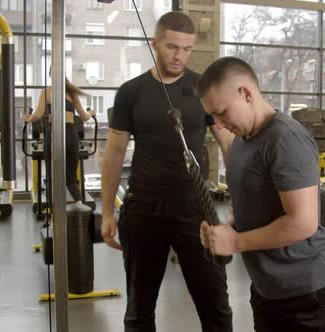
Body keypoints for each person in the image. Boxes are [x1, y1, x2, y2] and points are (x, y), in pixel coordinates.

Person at [197, 57, 325, 332]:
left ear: (246, 93)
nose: (219, 124)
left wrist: (235, 243)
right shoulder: (242, 143)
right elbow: (259, 210)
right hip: (270, 290)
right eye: (213, 116)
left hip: (312, 291)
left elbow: (302, 223)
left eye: (222, 112)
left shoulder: (285, 139)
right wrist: (225, 232)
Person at [100, 11, 234, 332]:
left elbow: (229, 143)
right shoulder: (131, 92)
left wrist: (241, 202)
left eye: (187, 49)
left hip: (194, 210)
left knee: (216, 305)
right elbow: (115, 152)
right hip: (143, 209)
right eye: (173, 47)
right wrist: (107, 211)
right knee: (139, 311)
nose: (180, 56)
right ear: (155, 43)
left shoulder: (202, 89)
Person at [24, 78, 96, 205]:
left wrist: (28, 118)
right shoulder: (71, 93)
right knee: (72, 179)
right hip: (71, 135)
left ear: (52, 77)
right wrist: (91, 112)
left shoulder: (46, 92)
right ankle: (80, 213)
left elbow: (38, 114)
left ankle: (52, 218)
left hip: (54, 134)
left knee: (52, 179)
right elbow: (84, 117)